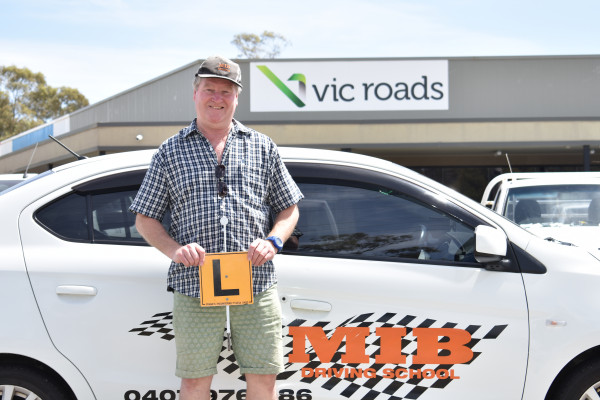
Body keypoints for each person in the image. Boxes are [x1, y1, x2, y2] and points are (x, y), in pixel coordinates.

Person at [129, 55, 303, 400]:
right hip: (194, 282)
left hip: (256, 280)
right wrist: (175, 250)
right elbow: (145, 218)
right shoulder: (170, 151)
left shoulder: (262, 146)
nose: (217, 98)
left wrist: (273, 241)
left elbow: (289, 208)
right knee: (194, 381)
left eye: (226, 91)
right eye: (210, 89)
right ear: (195, 93)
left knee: (264, 377)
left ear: (236, 97)